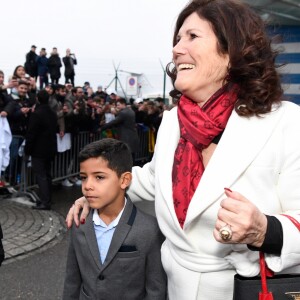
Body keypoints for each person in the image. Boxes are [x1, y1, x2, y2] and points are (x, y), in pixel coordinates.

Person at [66, 0, 300, 299]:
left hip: (243, 290)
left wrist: (264, 230)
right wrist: (97, 190)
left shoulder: (285, 122)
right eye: (177, 40)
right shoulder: (173, 121)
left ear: (232, 51)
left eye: (192, 37)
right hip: (174, 288)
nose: (177, 49)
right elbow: (152, 178)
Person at [63, 138, 167, 300]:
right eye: (84, 177)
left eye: (99, 177)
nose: (87, 185)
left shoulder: (149, 229)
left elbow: (156, 289)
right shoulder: (80, 223)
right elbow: (72, 280)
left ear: (124, 180)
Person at [24, 90, 57, 210]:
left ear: (37, 98)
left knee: (41, 175)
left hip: (38, 149)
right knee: (47, 175)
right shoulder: (52, 113)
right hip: (50, 148)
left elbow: (31, 133)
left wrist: (28, 149)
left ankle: (45, 202)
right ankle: (48, 199)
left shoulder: (37, 114)